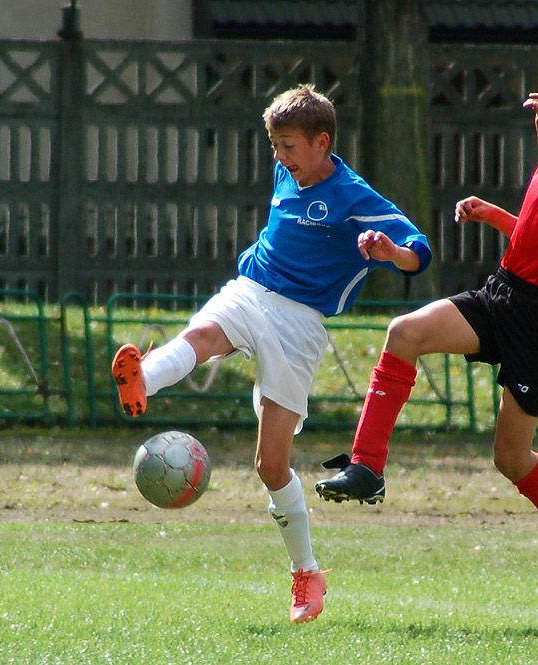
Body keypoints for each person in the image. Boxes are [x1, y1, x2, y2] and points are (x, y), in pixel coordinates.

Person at [111, 84, 431, 623]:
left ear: (322, 142)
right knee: (203, 335)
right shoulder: (289, 173)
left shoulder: (352, 195)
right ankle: (144, 377)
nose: (281, 158)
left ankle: (307, 572)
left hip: (299, 325)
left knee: (271, 465)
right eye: (275, 147)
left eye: (289, 147)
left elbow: (420, 252)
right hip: (250, 290)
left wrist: (390, 252)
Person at [315, 63, 538, 606]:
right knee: (404, 332)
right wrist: (496, 217)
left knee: (511, 458)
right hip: (500, 293)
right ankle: (366, 467)